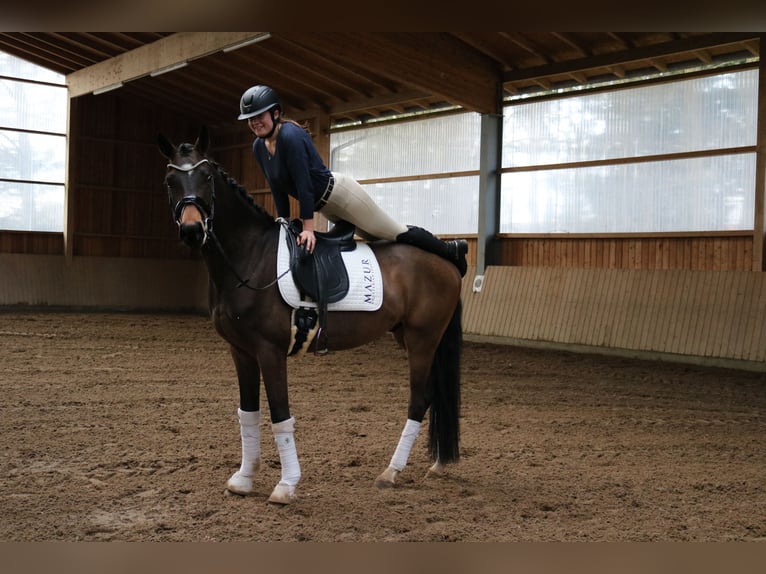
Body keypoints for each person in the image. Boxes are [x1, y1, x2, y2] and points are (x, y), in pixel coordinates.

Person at [237, 85, 468, 276]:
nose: (255, 122)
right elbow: (277, 186)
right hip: (328, 208)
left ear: (275, 113)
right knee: (378, 243)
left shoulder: (291, 136)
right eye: (250, 119)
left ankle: (450, 250)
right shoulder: (259, 146)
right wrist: (283, 221)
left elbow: (303, 184)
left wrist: (308, 228)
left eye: (259, 116)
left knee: (392, 233)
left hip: (342, 196)